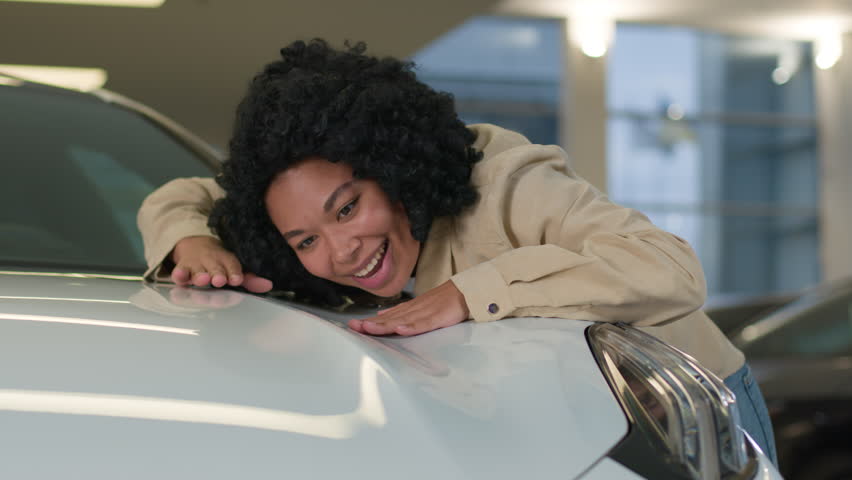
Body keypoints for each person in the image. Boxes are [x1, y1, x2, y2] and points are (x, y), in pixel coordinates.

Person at [137, 38, 777, 463]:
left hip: (686, 406)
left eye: (348, 207)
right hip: (554, 419)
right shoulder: (291, 218)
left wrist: (473, 292)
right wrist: (189, 238)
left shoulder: (507, 181)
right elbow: (182, 192)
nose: (340, 250)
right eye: (306, 239)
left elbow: (670, 268)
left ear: (394, 167)